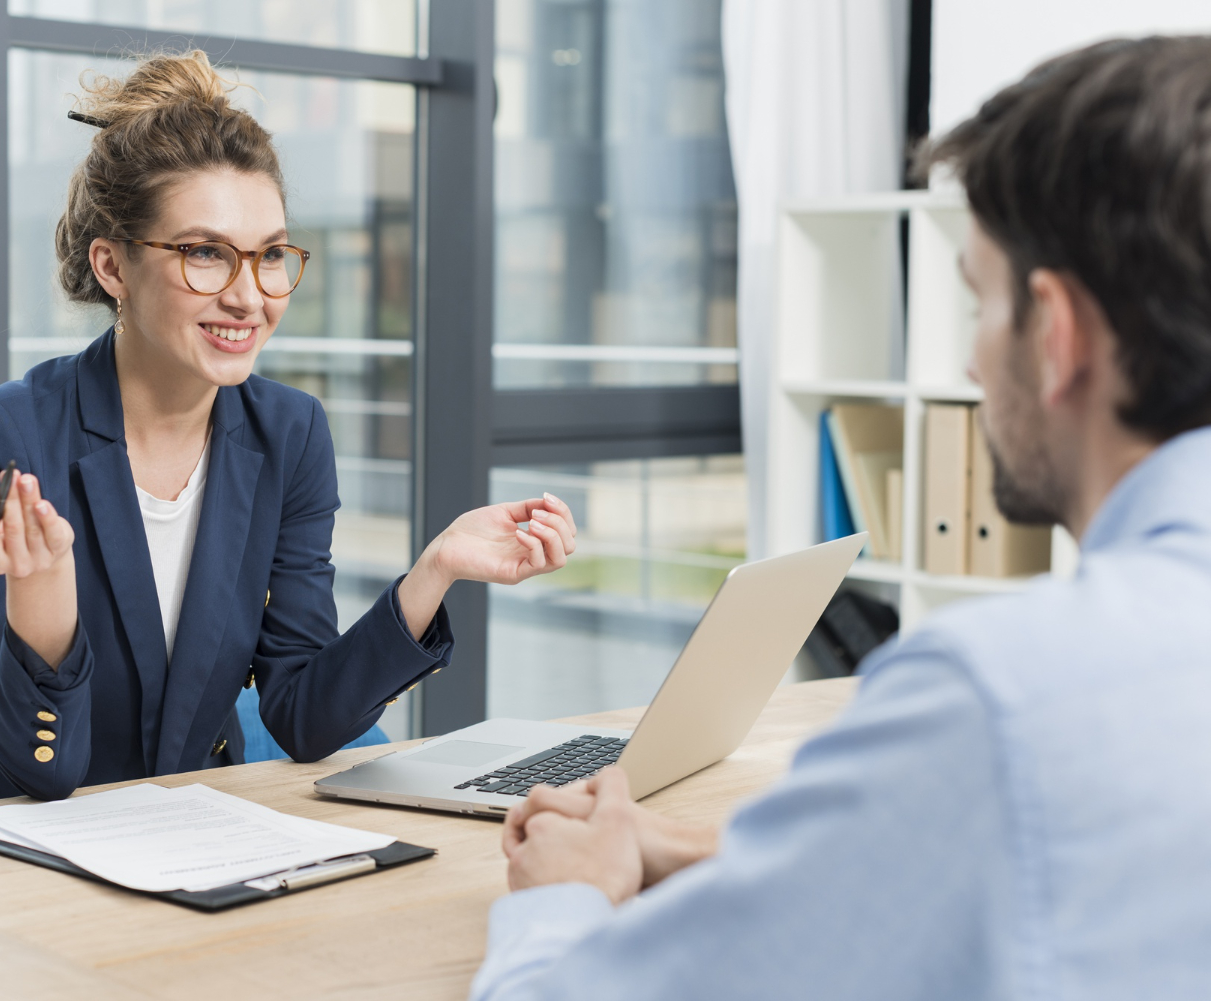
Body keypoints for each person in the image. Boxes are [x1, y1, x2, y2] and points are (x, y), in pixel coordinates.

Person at [471, 36, 1211, 1001]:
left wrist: (564, 896)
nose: (972, 367)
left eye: (978, 305)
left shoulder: (1002, 698)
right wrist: (706, 854)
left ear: (1057, 333)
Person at [0, 51, 578, 819]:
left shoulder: (288, 433)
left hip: (161, 831)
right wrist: (42, 593)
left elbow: (301, 713)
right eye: (204, 253)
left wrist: (434, 572)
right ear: (113, 267)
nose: (247, 296)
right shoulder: (8, 434)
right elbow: (46, 769)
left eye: (269, 256)